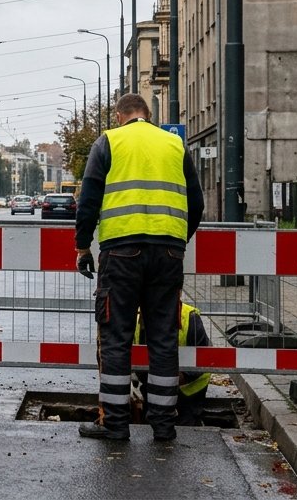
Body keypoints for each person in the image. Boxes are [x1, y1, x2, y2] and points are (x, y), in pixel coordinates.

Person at [74, 93, 204, 442]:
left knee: (116, 337)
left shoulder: (109, 141)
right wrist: (177, 240)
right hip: (168, 255)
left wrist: (83, 245)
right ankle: (163, 424)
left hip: (120, 253)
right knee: (163, 338)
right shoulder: (175, 144)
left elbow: (88, 198)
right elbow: (197, 202)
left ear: (120, 116)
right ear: (148, 114)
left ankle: (115, 423)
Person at [134, 301, 212, 427]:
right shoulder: (138, 317)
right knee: (152, 423)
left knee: (185, 429)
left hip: (189, 389)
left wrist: (175, 379)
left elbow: (205, 359)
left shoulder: (189, 317)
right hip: (153, 385)